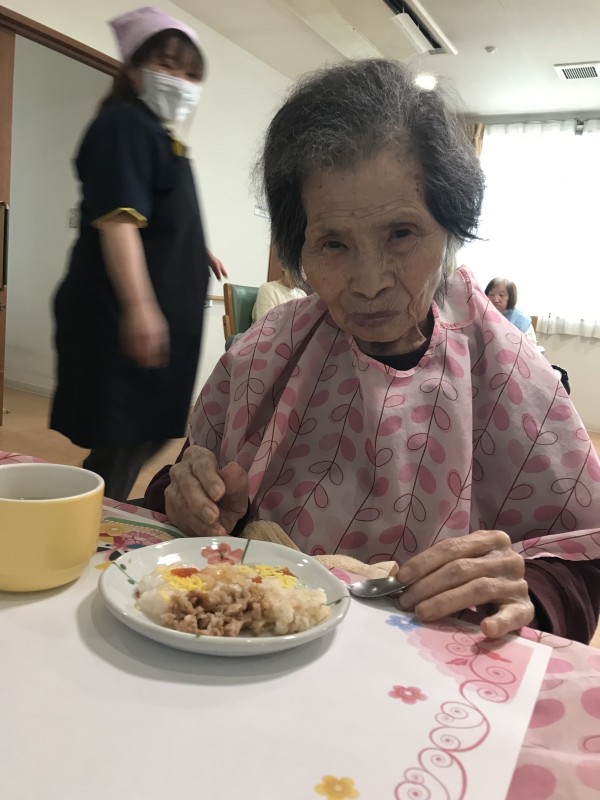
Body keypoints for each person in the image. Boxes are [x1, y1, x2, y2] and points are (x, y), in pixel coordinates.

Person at [144, 60, 600, 644]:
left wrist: (525, 593)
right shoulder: (265, 353)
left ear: (451, 228)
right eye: (333, 243)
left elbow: (580, 562)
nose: (368, 282)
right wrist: (194, 500)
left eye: (401, 234)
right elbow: (183, 485)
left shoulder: (508, 369)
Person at [50, 7, 226, 501]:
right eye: (167, 66)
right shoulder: (125, 125)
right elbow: (119, 221)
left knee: (147, 430)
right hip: (121, 312)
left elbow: (155, 212)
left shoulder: (157, 134)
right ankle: (90, 516)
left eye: (191, 73)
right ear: (132, 69)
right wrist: (140, 308)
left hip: (159, 310)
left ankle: (95, 509)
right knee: (127, 433)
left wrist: (194, 248)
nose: (181, 82)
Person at [485, 277, 537, 344]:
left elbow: (531, 347)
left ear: (511, 297)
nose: (496, 299)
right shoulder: (483, 314)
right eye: (491, 294)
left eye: (501, 295)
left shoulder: (521, 319)